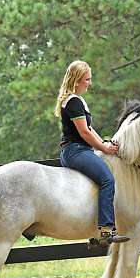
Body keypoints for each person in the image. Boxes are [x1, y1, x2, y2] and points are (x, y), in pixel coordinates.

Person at [54, 60, 129, 247]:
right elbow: (84, 133)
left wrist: (104, 143)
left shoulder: (76, 101)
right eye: (87, 79)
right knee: (107, 180)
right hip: (76, 150)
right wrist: (103, 148)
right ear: (77, 80)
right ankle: (105, 230)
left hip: (76, 150)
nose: (90, 83)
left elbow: (89, 128)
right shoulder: (73, 102)